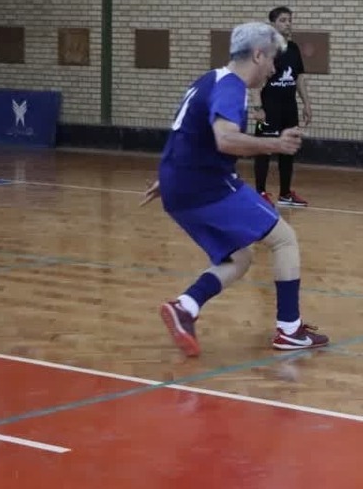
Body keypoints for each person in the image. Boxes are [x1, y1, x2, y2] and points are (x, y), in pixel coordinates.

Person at [141, 21, 329, 356]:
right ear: (257, 55)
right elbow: (225, 139)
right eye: (271, 60)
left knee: (239, 257)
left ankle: (185, 307)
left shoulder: (208, 79)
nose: (273, 69)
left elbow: (188, 134)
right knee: (284, 239)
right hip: (208, 186)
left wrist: (170, 180)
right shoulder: (232, 87)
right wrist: (276, 144)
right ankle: (289, 329)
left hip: (179, 187)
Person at [253, 5, 311, 207]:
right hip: (269, 108)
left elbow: (299, 78)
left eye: (289, 20)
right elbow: (256, 79)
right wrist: (258, 107)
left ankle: (285, 194)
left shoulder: (293, 48)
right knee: (263, 149)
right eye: (283, 20)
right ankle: (260, 193)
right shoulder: (265, 49)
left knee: (288, 149)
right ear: (273, 24)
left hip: (289, 108)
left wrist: (306, 104)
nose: (288, 24)